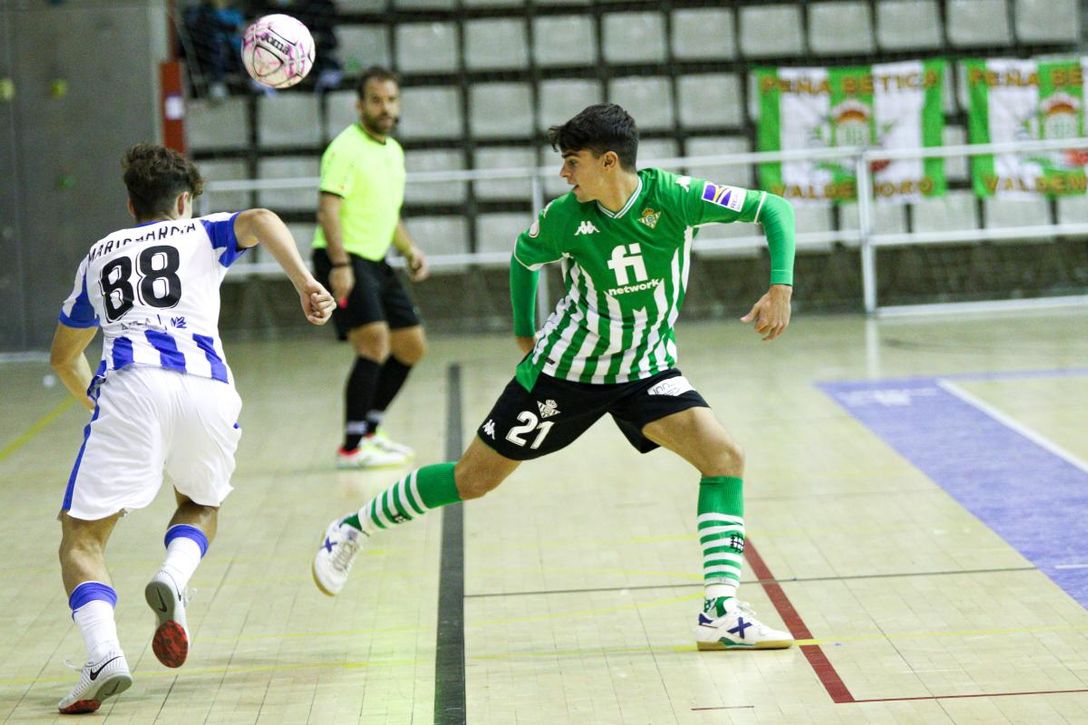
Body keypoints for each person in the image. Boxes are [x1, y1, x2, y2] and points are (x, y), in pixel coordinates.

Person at [312, 104, 798, 651]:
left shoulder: (677, 198)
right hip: (563, 375)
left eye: (572, 162)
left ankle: (720, 611)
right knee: (473, 480)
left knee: (724, 457)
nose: (564, 175)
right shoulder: (566, 217)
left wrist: (780, 287)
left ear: (608, 162)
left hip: (645, 370)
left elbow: (774, 209)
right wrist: (525, 330)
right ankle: (352, 525)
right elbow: (522, 259)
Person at [50, 143, 335, 714]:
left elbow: (64, 356)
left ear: (131, 204)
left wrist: (99, 405)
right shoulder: (201, 231)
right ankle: (175, 578)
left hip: (132, 386)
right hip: (209, 388)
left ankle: (104, 654)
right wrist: (305, 281)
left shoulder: (99, 256)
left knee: (82, 538)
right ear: (183, 201)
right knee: (201, 505)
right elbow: (260, 220)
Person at [312, 66, 429, 470]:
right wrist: (340, 264)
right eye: (377, 100)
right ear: (360, 105)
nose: (386, 108)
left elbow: (388, 212)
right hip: (343, 256)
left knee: (412, 346)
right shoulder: (345, 148)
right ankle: (350, 446)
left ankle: (371, 431)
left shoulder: (393, 152)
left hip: (377, 260)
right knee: (375, 344)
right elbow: (329, 208)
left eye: (391, 100)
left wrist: (410, 249)